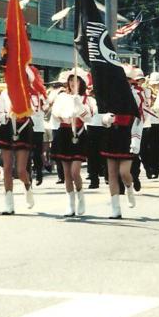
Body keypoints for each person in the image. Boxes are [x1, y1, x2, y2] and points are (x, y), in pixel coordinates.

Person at [100, 65, 143, 220]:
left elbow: (139, 120)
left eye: (126, 79)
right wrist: (105, 119)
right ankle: (115, 208)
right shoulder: (110, 95)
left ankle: (129, 188)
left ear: (131, 81)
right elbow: (102, 115)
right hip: (112, 133)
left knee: (124, 172)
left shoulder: (136, 96)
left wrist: (136, 140)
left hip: (127, 134)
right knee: (111, 173)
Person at [50, 69, 94, 217]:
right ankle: (70, 203)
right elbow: (55, 114)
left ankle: (81, 196)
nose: (73, 83)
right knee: (67, 173)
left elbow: (89, 118)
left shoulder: (87, 99)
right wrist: (63, 114)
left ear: (81, 83)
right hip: (64, 133)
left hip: (79, 134)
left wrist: (79, 106)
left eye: (76, 81)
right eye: (70, 80)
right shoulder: (62, 97)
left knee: (75, 171)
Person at [0, 78, 36, 215]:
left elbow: (36, 108)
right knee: (7, 168)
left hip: (23, 128)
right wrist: (6, 116)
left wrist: (22, 111)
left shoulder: (28, 92)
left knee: (20, 170)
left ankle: (27, 186)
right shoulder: (5, 93)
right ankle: (9, 203)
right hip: (7, 128)